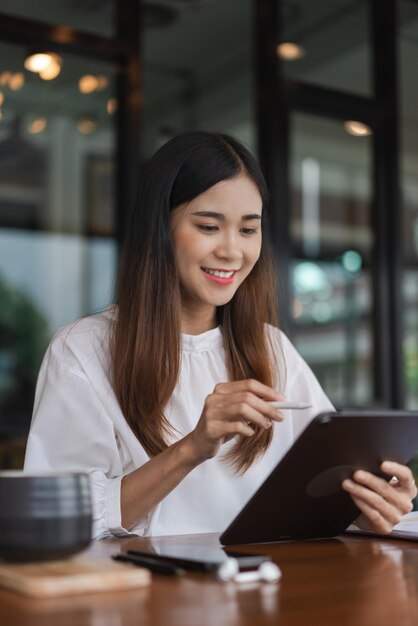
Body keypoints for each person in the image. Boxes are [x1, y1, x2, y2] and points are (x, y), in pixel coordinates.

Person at [24, 131, 416, 539]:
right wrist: (191, 449)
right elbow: (54, 517)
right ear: (159, 228)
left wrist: (365, 505)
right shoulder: (84, 351)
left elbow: (321, 482)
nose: (233, 251)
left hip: (266, 588)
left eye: (248, 230)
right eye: (209, 226)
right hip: (149, 593)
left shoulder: (271, 347)